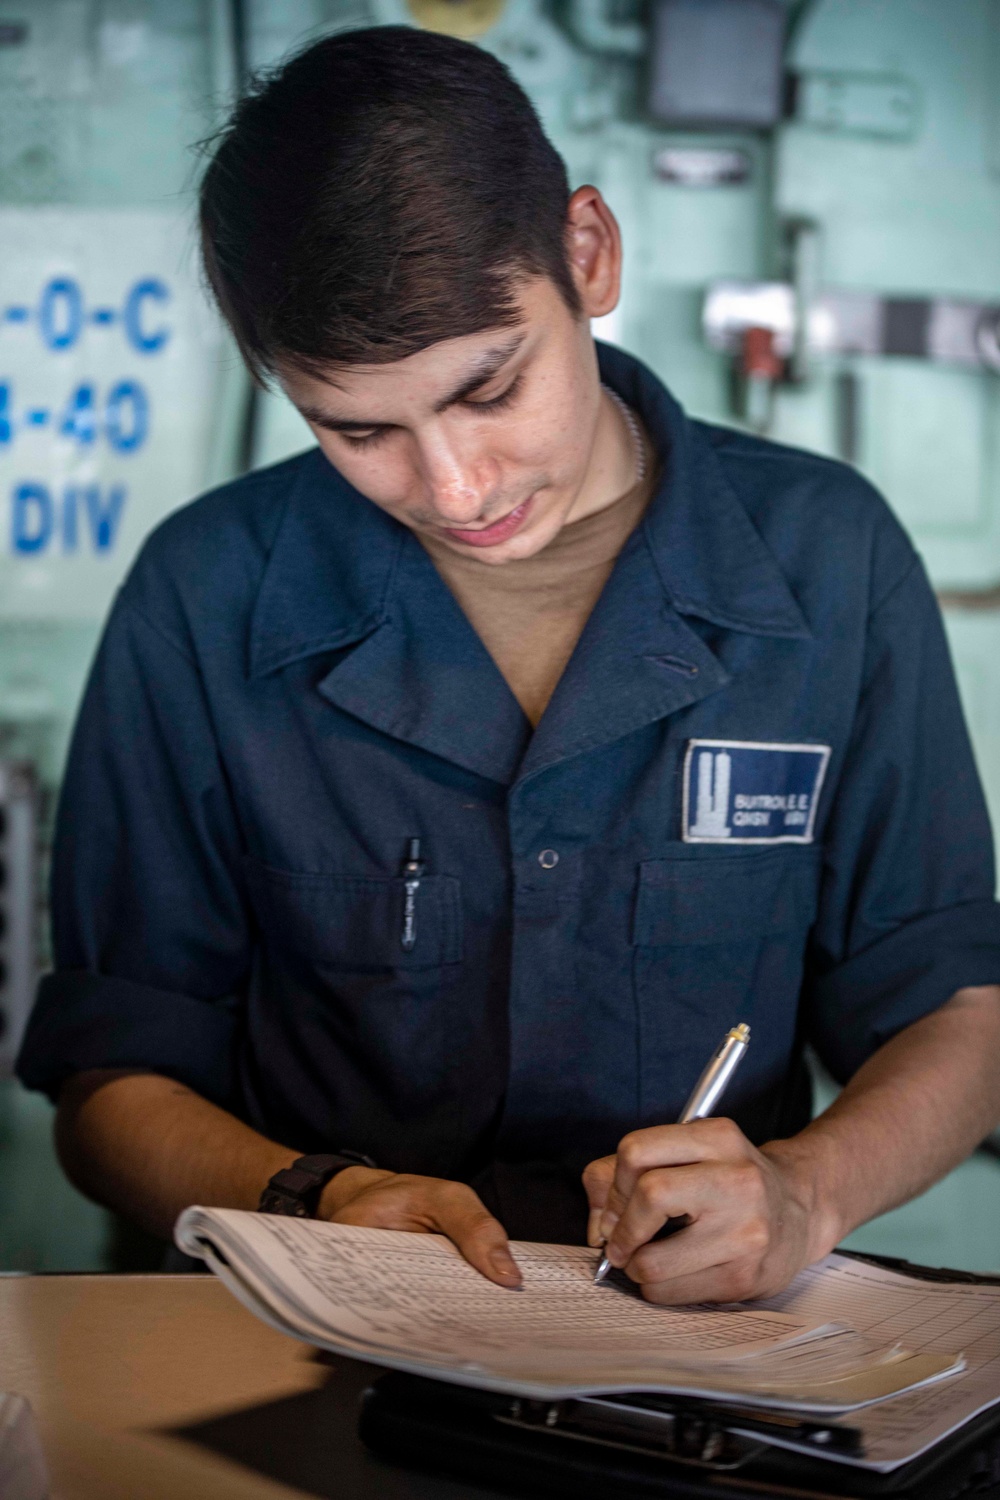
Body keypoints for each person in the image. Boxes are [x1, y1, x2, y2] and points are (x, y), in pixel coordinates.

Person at [17, 26, 1000, 1305]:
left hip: (703, 1346)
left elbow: (957, 1016)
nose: (453, 486)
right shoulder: (206, 592)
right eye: (358, 429)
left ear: (585, 255)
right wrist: (314, 1196)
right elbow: (111, 1083)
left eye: (490, 389)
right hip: (304, 1331)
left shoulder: (826, 557)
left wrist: (803, 1192)